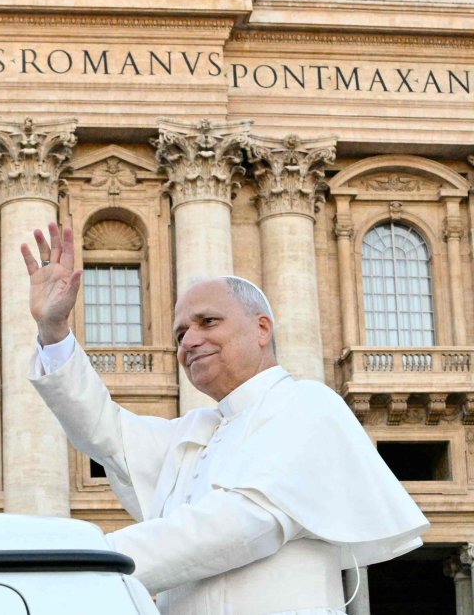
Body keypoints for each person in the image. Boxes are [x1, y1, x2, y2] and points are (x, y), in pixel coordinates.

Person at [21, 222, 429, 615]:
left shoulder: (307, 404)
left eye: (208, 322)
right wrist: (54, 330)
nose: (190, 341)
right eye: (180, 334)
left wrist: (86, 563)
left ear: (262, 328)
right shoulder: (196, 430)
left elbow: (242, 523)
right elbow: (103, 432)